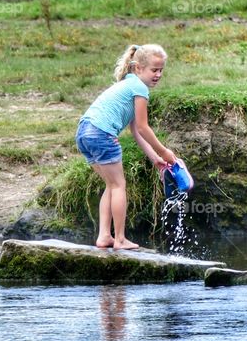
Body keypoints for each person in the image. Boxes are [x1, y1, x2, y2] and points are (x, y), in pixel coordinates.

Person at [76, 43, 178, 250]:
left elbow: (135, 131)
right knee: (119, 185)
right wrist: (164, 151)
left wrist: (154, 157)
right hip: (102, 133)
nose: (158, 75)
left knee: (111, 185)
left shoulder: (128, 84)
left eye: (161, 70)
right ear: (138, 68)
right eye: (154, 70)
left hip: (84, 132)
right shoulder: (139, 88)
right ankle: (120, 239)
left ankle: (105, 236)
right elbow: (143, 127)